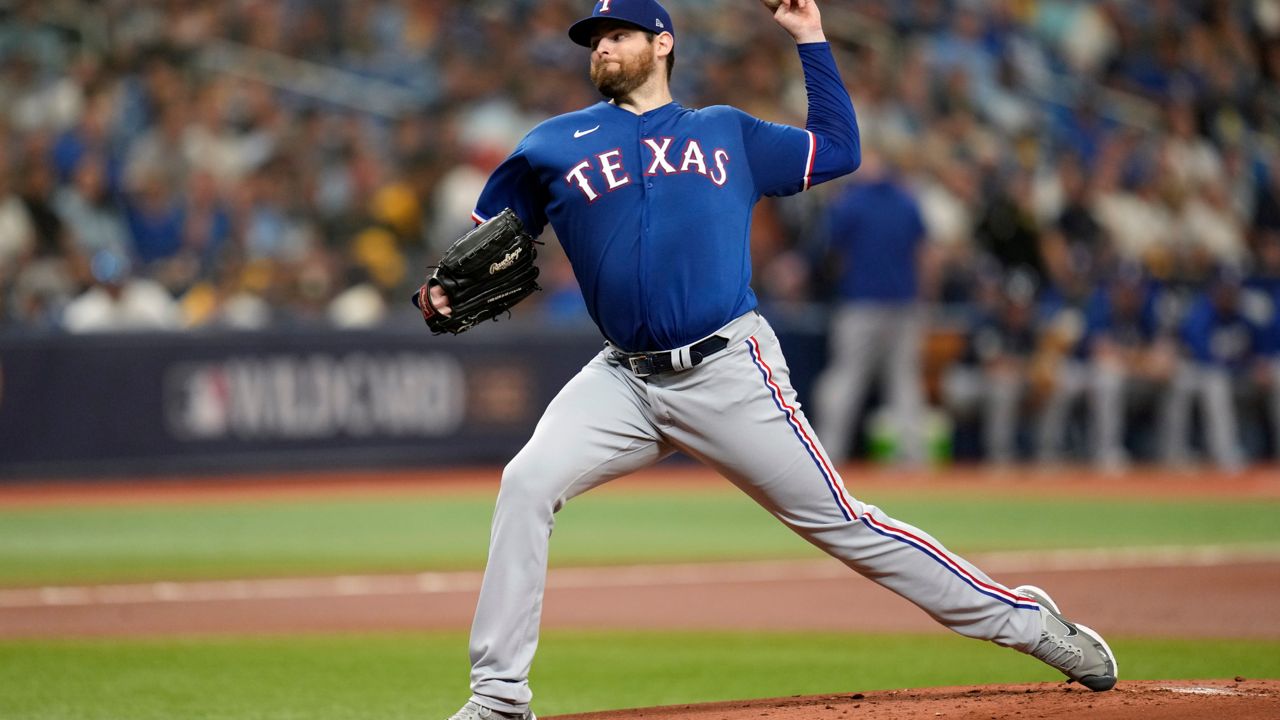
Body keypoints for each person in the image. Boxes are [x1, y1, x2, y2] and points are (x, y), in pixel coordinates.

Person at [429, 3, 1117, 719]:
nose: (601, 47)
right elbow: (485, 244)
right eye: (594, 39)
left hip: (727, 370)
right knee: (526, 484)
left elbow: (839, 149)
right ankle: (499, 698)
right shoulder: (551, 143)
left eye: (618, 35)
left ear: (662, 44)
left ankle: (1027, 623)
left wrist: (809, 37)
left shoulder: (725, 131)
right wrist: (443, 289)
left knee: (847, 525)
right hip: (622, 379)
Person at [813, 146, 931, 465]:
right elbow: (923, 255)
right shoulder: (907, 200)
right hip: (903, 303)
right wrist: (922, 297)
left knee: (847, 376)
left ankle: (829, 455)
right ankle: (913, 458)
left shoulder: (850, 202)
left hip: (860, 304)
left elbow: (832, 254)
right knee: (904, 381)